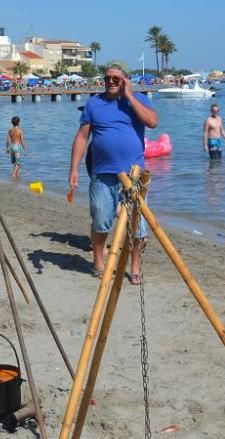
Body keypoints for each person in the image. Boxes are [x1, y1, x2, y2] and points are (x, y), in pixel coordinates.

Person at [68, 65, 159, 285]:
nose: (111, 81)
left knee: (137, 226)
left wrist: (129, 95)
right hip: (102, 174)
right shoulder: (94, 104)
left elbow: (152, 122)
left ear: (125, 80)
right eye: (107, 78)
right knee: (100, 221)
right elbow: (82, 138)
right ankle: (99, 261)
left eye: (116, 78)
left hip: (134, 175)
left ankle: (135, 266)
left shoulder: (138, 100)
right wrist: (74, 168)